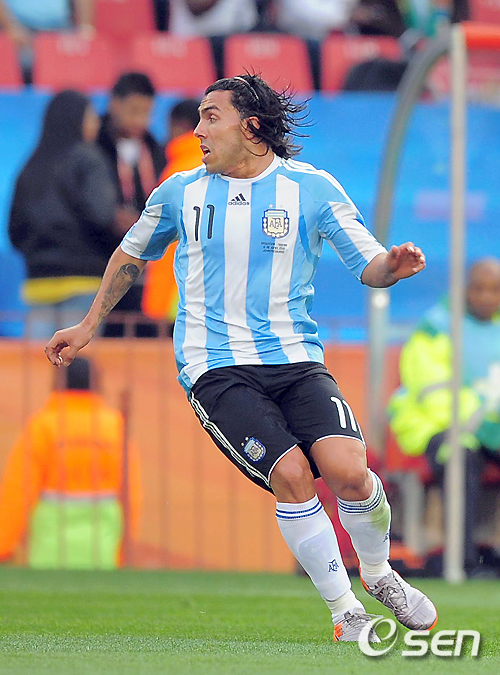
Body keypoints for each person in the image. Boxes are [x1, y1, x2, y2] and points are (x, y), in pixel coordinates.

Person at [45, 73, 436, 642]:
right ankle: (345, 611)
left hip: (296, 360)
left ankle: (378, 574)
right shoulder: (180, 192)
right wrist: (87, 325)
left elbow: (369, 264)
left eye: (211, 117)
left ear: (251, 127)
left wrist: (392, 267)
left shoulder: (311, 188)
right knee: (292, 475)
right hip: (215, 367)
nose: (197, 131)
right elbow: (130, 255)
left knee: (352, 474)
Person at [388, 258, 500, 576]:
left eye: (495, 290)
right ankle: (463, 563)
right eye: (479, 288)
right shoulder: (436, 329)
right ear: (466, 289)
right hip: (435, 427)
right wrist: (481, 421)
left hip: (490, 428)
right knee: (460, 458)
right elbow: (434, 392)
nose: (486, 297)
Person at [0, 357, 142, 569]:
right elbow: (131, 496)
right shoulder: (114, 428)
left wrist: (3, 547)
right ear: (97, 383)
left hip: (49, 557)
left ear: (56, 382)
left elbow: (18, 492)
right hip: (102, 556)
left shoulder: (42, 426)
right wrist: (124, 553)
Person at [8, 90, 118, 340]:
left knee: (39, 360)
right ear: (76, 120)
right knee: (76, 358)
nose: (96, 124)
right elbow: (103, 216)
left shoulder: (30, 166)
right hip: (84, 280)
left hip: (38, 282)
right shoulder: (90, 159)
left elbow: (14, 230)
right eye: (91, 117)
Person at [97, 72, 165, 337]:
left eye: (146, 113)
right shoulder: (94, 145)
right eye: (134, 111)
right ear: (115, 103)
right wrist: (110, 217)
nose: (140, 121)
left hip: (146, 265)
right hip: (103, 262)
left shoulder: (155, 150)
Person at [142, 99, 203, 327]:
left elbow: (158, 230)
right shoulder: (217, 165)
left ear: (179, 126)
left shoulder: (178, 171)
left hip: (176, 289)